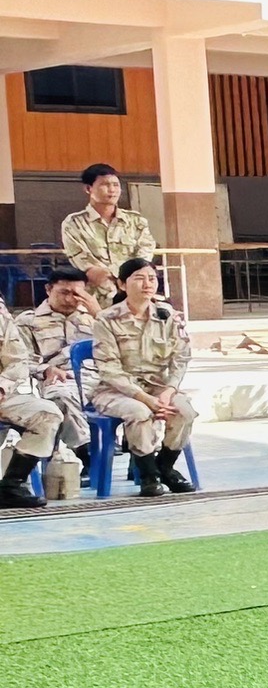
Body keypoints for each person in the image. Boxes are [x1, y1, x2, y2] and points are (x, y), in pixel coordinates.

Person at [95, 257, 195, 496]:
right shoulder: (106, 319)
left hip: (159, 388)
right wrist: (145, 399)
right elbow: (109, 369)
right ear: (122, 284)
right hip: (115, 391)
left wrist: (170, 390)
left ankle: (165, 468)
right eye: (139, 278)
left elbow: (181, 357)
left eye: (152, 278)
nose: (147, 284)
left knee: (184, 411)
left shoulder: (167, 315)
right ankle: (149, 477)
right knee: (139, 412)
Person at [16, 265, 103, 469]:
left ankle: (144, 466)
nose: (70, 299)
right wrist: (45, 369)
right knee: (60, 397)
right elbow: (20, 359)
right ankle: (87, 456)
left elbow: (124, 347)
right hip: (59, 379)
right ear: (48, 290)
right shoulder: (29, 321)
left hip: (99, 379)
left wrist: (99, 314)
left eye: (77, 294)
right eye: (63, 292)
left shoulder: (96, 318)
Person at [59, 163, 155, 306]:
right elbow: (82, 260)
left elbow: (144, 252)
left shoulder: (136, 221)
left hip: (133, 294)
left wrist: (126, 275)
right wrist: (111, 274)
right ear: (88, 188)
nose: (112, 190)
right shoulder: (74, 223)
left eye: (116, 185)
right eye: (105, 185)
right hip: (94, 298)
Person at [0, 313, 63, 508]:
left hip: (3, 394)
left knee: (48, 415)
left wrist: (2, 387)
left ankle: (12, 485)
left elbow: (17, 361)